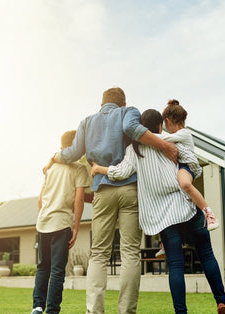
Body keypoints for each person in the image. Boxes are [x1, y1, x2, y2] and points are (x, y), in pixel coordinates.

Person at [44, 87, 178, 314]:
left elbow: (73, 153)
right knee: (130, 253)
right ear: (123, 103)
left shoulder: (87, 122)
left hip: (102, 191)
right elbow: (130, 128)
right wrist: (165, 145)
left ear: (102, 103)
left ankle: (94, 311)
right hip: (129, 190)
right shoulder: (128, 112)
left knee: (99, 254)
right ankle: (126, 311)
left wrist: (54, 157)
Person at [91, 109, 225, 314]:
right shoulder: (169, 141)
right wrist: (186, 172)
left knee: (175, 264)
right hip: (186, 207)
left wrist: (98, 169)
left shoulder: (134, 149)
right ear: (159, 126)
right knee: (207, 254)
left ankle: (181, 312)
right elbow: (194, 164)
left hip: (164, 218)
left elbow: (120, 173)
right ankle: (221, 301)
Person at [32, 130, 91, 314]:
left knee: (43, 267)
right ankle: (52, 311)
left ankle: (37, 307)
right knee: (58, 270)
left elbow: (40, 200)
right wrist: (76, 227)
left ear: (61, 147)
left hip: (43, 222)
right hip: (62, 223)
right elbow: (78, 200)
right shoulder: (79, 168)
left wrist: (43, 217)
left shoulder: (50, 169)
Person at [154, 99, 220, 259]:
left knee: (184, 184)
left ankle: (209, 213)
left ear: (168, 121)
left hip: (187, 167)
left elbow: (162, 140)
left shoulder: (184, 133)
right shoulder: (178, 134)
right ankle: (164, 241)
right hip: (181, 168)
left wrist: (143, 134)